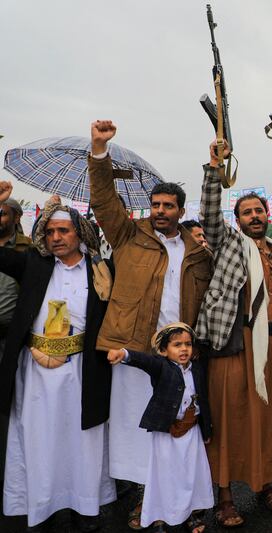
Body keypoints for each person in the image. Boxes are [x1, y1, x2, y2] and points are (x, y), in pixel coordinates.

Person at [88, 120, 213, 530]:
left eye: (168, 206)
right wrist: (100, 152)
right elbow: (104, 201)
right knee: (136, 429)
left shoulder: (197, 252)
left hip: (179, 357)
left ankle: (180, 500)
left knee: (179, 428)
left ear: (181, 211)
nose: (160, 211)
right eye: (155, 204)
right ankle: (146, 499)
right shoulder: (128, 235)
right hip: (135, 347)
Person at [195, 139, 272, 527]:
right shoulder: (228, 244)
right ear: (237, 219)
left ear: (266, 215)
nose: (254, 216)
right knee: (229, 420)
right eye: (247, 212)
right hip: (235, 345)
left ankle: (264, 484)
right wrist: (214, 168)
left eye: (259, 211)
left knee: (269, 421)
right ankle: (224, 496)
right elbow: (209, 215)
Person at [0, 183, 116, 531]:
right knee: (40, 441)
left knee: (82, 442)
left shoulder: (101, 270)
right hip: (36, 373)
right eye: (50, 232)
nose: (55, 238)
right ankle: (42, 509)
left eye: (63, 231)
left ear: (79, 233)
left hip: (83, 370)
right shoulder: (34, 264)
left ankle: (84, 508)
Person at [108, 323, 213, 533]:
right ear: (164, 351)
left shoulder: (197, 369)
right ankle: (159, 519)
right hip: (167, 433)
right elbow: (144, 360)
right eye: (177, 345)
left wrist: (207, 430)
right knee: (164, 476)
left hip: (191, 432)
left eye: (188, 344)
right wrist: (124, 354)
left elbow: (204, 400)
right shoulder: (161, 367)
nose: (184, 349)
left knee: (190, 475)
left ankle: (190, 515)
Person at [0, 195, 31, 481]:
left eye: (2, 213)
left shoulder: (27, 249)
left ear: (17, 217)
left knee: (9, 404)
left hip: (10, 339)